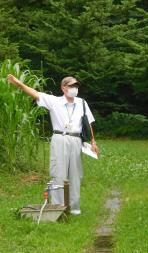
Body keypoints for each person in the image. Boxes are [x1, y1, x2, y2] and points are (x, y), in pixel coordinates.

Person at [7, 74, 99, 215]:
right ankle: (58, 207)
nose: (75, 88)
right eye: (71, 86)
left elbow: (88, 123)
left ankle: (74, 208)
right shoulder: (54, 101)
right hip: (59, 138)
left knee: (76, 174)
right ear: (63, 88)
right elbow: (35, 94)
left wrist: (93, 141)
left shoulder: (82, 103)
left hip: (76, 140)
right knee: (58, 173)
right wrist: (19, 84)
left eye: (76, 86)